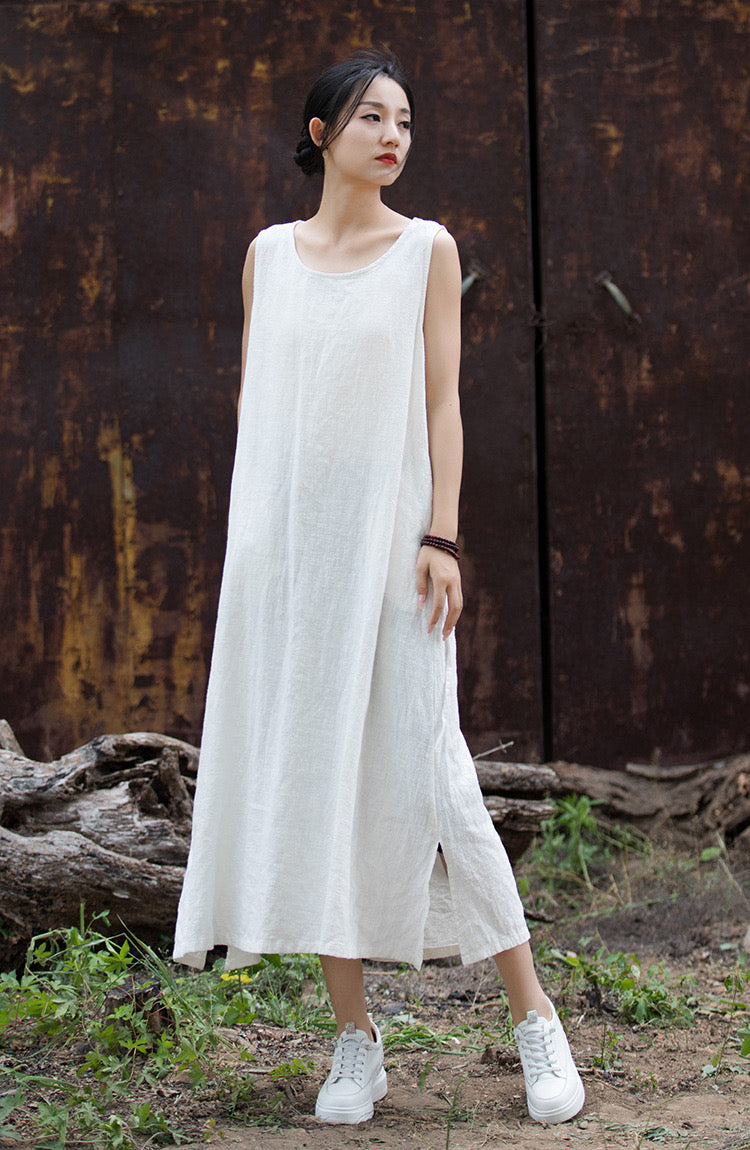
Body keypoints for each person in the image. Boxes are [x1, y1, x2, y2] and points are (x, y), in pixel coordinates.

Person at [173, 50, 585, 1128]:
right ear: (322, 134)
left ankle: (534, 1016)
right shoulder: (270, 256)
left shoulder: (426, 251)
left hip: (396, 552)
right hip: (290, 563)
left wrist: (442, 533)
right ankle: (356, 1038)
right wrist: (258, 551)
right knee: (318, 776)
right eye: (371, 117)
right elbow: (263, 409)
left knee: (437, 774)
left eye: (404, 119)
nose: (394, 135)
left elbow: (443, 402)